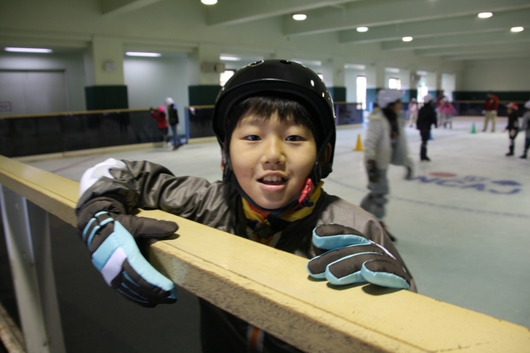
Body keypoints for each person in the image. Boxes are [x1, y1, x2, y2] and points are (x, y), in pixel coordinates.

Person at [75, 60, 416, 353]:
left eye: (294, 137)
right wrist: (99, 213)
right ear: (226, 154)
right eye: (252, 137)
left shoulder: (356, 228)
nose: (272, 155)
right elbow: (114, 173)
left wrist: (402, 311)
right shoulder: (209, 203)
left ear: (322, 155)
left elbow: (414, 322)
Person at [360, 89, 413, 242]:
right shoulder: (378, 120)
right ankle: (378, 226)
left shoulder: (394, 119)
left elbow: (401, 144)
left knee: (374, 193)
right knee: (380, 194)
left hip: (383, 161)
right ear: (389, 104)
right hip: (375, 163)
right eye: (398, 103)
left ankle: (359, 216)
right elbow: (370, 143)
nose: (400, 106)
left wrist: (407, 163)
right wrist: (370, 164)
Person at [416, 94, 437, 162]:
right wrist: (435, 123)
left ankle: (423, 155)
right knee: (424, 141)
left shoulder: (422, 108)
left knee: (424, 141)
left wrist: (418, 126)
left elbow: (418, 118)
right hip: (426, 127)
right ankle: (423, 155)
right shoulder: (430, 108)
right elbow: (433, 117)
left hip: (422, 127)